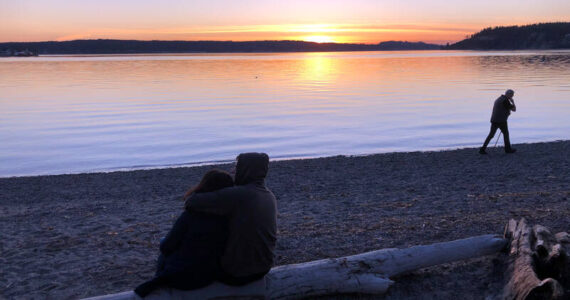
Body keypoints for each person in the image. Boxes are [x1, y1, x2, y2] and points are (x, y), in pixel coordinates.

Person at [134, 169, 234, 297]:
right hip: (210, 275)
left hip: (182, 279)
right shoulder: (230, 216)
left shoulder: (192, 214)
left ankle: (159, 280)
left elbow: (167, 247)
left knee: (164, 242)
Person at [184, 152, 277, 286]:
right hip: (263, 267)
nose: (233, 171)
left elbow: (191, 201)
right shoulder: (268, 195)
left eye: (237, 167)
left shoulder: (240, 194)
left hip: (238, 273)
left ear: (246, 170)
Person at [479, 89, 517, 154]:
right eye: (512, 95)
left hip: (494, 119)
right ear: (509, 94)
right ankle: (508, 149)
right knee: (506, 134)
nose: (512, 97)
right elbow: (514, 109)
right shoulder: (505, 101)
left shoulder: (499, 98)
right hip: (501, 120)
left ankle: (482, 149)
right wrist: (513, 102)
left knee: (491, 135)